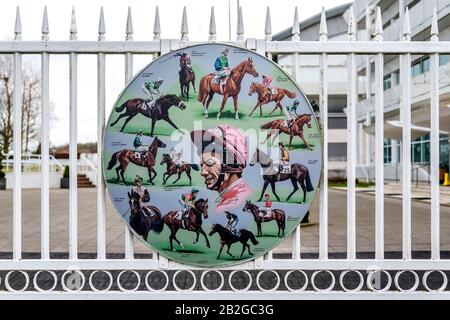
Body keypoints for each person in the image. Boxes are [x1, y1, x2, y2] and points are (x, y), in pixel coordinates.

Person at [191, 125, 252, 213]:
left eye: (210, 163)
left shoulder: (224, 207)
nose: (202, 172)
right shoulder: (231, 196)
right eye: (202, 165)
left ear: (230, 164)